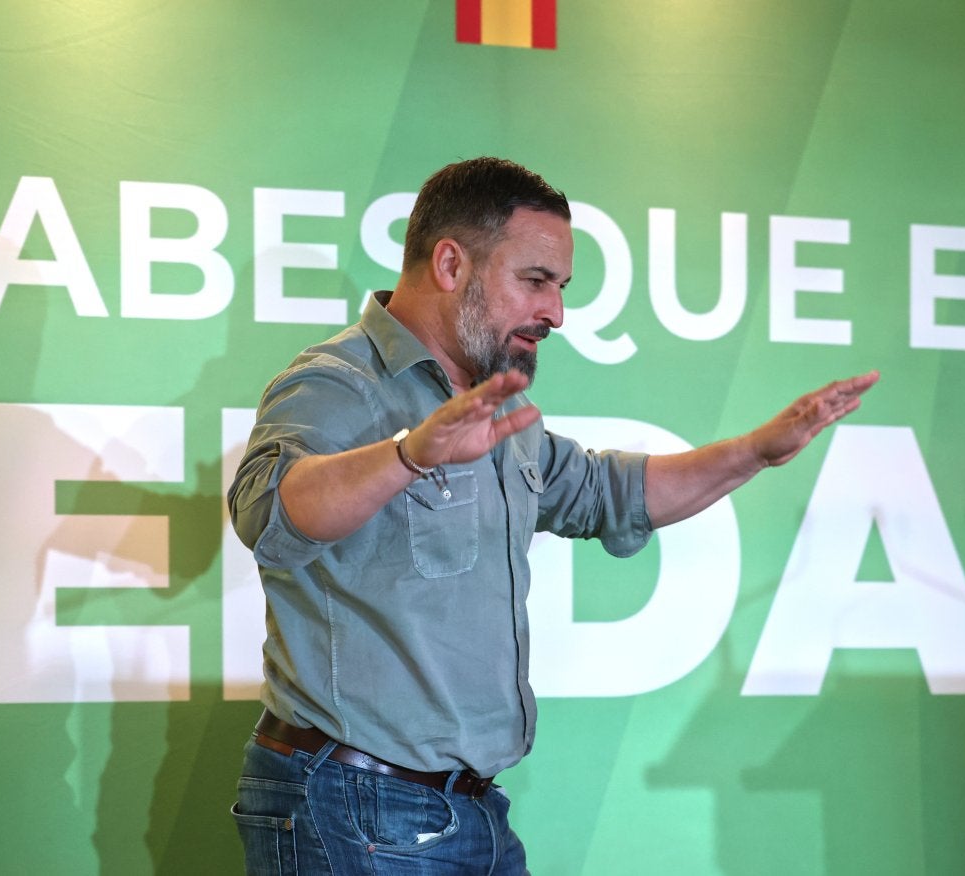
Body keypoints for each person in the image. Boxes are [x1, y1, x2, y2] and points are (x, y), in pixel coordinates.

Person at [227, 156, 878, 874]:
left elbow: (606, 492)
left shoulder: (497, 408)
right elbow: (268, 512)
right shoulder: (337, 383)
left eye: (560, 288)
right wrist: (409, 454)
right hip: (355, 811)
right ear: (450, 264)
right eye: (536, 281)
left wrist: (754, 452)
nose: (556, 313)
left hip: (470, 812)